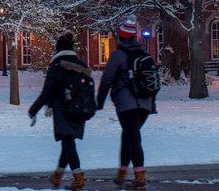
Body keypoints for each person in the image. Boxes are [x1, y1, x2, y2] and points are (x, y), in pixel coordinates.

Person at [97, 15, 157, 191]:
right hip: (145, 104)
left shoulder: (117, 55)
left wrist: (99, 102)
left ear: (121, 37)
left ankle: (139, 177)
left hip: (126, 104)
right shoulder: (144, 55)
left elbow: (107, 80)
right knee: (129, 136)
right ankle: (122, 173)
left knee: (133, 138)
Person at [28, 33, 92, 190]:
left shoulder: (56, 67)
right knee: (68, 141)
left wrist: (34, 109)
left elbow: (47, 91)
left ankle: (78, 178)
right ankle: (57, 175)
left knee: (68, 141)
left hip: (63, 110)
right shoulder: (81, 65)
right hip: (80, 110)